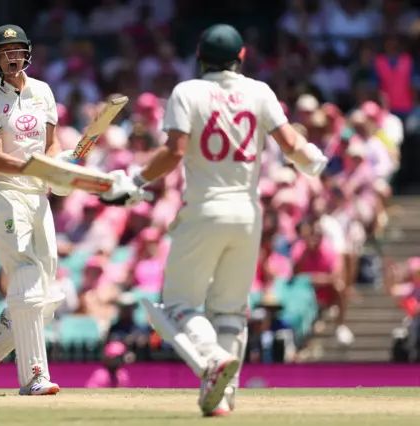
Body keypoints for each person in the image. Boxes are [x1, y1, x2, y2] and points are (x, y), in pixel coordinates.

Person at [99, 24, 328, 416]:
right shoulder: (259, 91)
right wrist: (314, 163)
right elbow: (293, 145)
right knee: (231, 311)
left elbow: (174, 151)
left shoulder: (187, 92)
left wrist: (134, 182)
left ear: (200, 58)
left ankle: (209, 359)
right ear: (241, 58)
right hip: (247, 213)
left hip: (204, 208)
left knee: (176, 305)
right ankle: (223, 395)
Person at [0, 24, 76, 396]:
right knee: (26, 277)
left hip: (37, 196)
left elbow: (52, 143)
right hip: (4, 193)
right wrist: (38, 167)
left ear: (27, 52)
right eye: (5, 51)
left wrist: (60, 167)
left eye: (18, 50)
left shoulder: (43, 91)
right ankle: (33, 377)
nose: (12, 56)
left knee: (45, 299)